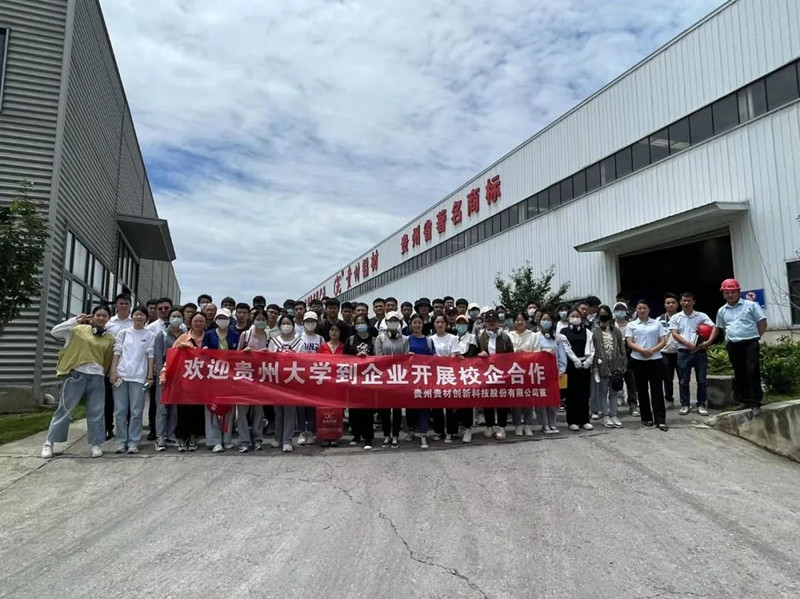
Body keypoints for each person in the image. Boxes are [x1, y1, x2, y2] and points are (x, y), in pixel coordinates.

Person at [41, 306, 116, 459]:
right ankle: (49, 443)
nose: (101, 318)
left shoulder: (109, 338)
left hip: (97, 377)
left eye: (104, 316)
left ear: (108, 318)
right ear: (92, 316)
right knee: (65, 409)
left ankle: (95, 443)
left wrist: (103, 374)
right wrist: (75, 320)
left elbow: (107, 359)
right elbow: (55, 331)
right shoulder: (78, 329)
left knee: (96, 411)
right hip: (76, 374)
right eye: (98, 315)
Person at [108, 305, 156, 454]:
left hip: (139, 377)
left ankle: (134, 442)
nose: (139, 317)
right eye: (136, 314)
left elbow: (150, 356)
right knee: (120, 411)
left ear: (146, 318)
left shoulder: (150, 334)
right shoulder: (123, 333)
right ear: (132, 316)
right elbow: (117, 352)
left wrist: (149, 375)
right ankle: (121, 441)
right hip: (121, 376)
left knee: (136, 411)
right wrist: (113, 371)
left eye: (142, 315)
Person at [716, 278, 767, 416]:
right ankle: (744, 400)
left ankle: (755, 402)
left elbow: (762, 322)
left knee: (752, 371)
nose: (730, 295)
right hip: (733, 344)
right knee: (739, 372)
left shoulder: (751, 305)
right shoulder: (722, 310)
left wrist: (756, 337)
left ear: (739, 292)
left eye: (733, 292)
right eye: (727, 293)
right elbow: (722, 328)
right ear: (723, 294)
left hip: (750, 343)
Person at [670, 292, 718, 417]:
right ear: (680, 302)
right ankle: (685, 404)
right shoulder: (676, 317)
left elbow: (714, 328)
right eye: (684, 301)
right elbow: (674, 333)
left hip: (700, 351)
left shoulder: (701, 316)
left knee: (701, 380)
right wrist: (687, 343)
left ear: (693, 302)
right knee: (683, 381)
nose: (686, 303)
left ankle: (701, 404)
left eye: (689, 300)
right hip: (683, 352)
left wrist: (708, 342)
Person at [625, 300, 668, 431]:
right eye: (639, 308)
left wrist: (652, 350)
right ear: (636, 311)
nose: (642, 310)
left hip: (655, 359)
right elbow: (629, 342)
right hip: (638, 359)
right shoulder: (631, 325)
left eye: (644, 308)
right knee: (642, 389)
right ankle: (646, 418)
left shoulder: (656, 323)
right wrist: (642, 351)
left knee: (657, 389)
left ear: (649, 310)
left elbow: (663, 341)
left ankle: (660, 420)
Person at [203, 308, 241, 452]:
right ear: (215, 320)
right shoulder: (209, 334)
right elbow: (204, 354)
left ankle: (227, 439)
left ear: (230, 320)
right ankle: (215, 440)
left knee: (229, 408)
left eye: (225, 318)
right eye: (219, 318)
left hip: (230, 377)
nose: (222, 320)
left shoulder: (235, 335)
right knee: (212, 408)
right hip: (212, 376)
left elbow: (239, 355)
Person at [171, 313, 208, 452]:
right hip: (184, 379)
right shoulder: (183, 338)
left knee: (197, 410)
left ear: (205, 323)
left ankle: (193, 436)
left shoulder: (209, 338)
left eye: (201, 321)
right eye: (196, 321)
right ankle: (182, 437)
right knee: (183, 409)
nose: (198, 323)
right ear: (190, 322)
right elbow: (172, 356)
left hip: (203, 380)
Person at [236, 308, 270, 453]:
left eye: (263, 319)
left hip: (261, 378)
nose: (260, 322)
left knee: (258, 411)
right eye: (258, 319)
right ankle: (244, 440)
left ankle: (257, 439)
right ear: (253, 320)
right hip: (245, 376)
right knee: (242, 410)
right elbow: (236, 355)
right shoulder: (245, 335)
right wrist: (246, 352)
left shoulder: (269, 336)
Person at [475, 309, 513, 440]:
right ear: (485, 322)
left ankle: (502, 427)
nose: (491, 323)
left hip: (502, 373)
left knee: (502, 400)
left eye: (494, 321)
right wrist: (480, 354)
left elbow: (511, 354)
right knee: (488, 400)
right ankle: (489, 426)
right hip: (487, 373)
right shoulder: (480, 336)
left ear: (498, 322)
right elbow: (475, 354)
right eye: (489, 321)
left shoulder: (505, 336)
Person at [268, 315, 303, 452]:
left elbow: (303, 361)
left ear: (293, 326)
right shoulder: (274, 341)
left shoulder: (299, 342)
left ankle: (287, 440)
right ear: (279, 326)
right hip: (277, 381)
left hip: (292, 380)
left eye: (289, 323)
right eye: (283, 323)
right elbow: (268, 360)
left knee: (289, 411)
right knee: (278, 411)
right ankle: (278, 437)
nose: (286, 326)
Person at [375, 311, 409, 448]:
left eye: (395, 320)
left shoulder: (405, 339)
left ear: (399, 323)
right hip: (384, 378)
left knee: (397, 409)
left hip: (398, 378)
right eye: (390, 320)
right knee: (385, 409)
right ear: (386, 323)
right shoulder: (381, 338)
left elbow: (406, 359)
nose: (393, 322)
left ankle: (395, 435)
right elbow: (377, 357)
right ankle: (386, 435)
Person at [153, 307, 184, 451]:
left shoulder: (185, 336)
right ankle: (160, 437)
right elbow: (158, 357)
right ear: (169, 318)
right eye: (174, 316)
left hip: (180, 377)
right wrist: (161, 374)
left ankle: (171, 434)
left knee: (174, 408)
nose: (176, 318)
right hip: (165, 376)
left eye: (179, 316)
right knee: (162, 408)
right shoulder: (162, 335)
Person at [591, 305, 627, 429]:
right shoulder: (595, 331)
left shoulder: (615, 330)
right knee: (602, 391)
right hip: (601, 365)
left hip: (615, 364)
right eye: (601, 313)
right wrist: (595, 365)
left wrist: (623, 363)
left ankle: (613, 414)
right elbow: (593, 349)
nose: (603, 315)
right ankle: (605, 415)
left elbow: (621, 348)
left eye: (605, 313)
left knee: (614, 390)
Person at [345, 313, 376, 450]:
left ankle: (368, 437)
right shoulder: (350, 340)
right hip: (354, 378)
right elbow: (344, 359)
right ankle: (356, 435)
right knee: (354, 409)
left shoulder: (374, 340)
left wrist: (367, 357)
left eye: (363, 322)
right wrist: (356, 357)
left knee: (367, 410)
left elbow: (379, 358)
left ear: (367, 325)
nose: (360, 325)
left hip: (369, 378)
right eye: (358, 323)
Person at [534, 311, 567, 434]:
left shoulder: (557, 337)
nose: (546, 322)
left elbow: (562, 355)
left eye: (548, 319)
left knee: (553, 399)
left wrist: (562, 369)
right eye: (543, 319)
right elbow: (532, 354)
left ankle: (553, 423)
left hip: (554, 372)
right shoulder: (535, 336)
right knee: (542, 399)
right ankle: (544, 424)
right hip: (540, 372)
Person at [105, 293, 133, 438]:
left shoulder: (134, 323)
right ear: (116, 305)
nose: (123, 306)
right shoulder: (109, 323)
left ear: (130, 305)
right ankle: (108, 427)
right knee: (108, 399)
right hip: (109, 363)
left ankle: (127, 428)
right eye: (121, 303)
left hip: (128, 365)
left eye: (126, 303)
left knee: (126, 400)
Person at [562, 307, 595, 431]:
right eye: (572, 316)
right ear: (568, 318)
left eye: (577, 316)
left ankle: (584, 420)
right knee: (571, 393)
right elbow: (565, 348)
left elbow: (592, 347)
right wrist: (575, 360)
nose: (575, 318)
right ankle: (572, 421)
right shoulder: (564, 332)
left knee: (584, 393)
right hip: (571, 366)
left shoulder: (587, 331)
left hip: (585, 365)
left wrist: (588, 361)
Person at [430, 314, 460, 442]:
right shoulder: (430, 339)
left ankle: (451, 432)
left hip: (449, 374)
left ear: (446, 324)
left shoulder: (453, 338)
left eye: (442, 322)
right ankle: (439, 431)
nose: (440, 324)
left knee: (450, 405)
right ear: (434, 324)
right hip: (434, 375)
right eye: (437, 322)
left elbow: (454, 356)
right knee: (437, 404)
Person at [407, 313, 435, 448]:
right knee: (410, 406)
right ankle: (411, 430)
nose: (417, 325)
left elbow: (434, 357)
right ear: (410, 324)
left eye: (419, 323)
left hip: (425, 378)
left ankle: (423, 435)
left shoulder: (428, 340)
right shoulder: (407, 340)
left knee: (425, 406)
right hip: (410, 378)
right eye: (415, 323)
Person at [508, 312, 538, 436]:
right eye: (517, 320)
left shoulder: (533, 336)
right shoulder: (509, 335)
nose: (519, 322)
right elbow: (506, 353)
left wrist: (526, 354)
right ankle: (517, 425)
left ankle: (527, 424)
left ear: (526, 322)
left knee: (528, 398)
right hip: (514, 371)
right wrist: (516, 351)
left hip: (528, 371)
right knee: (516, 398)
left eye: (522, 320)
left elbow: (537, 353)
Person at [317, 322, 346, 448]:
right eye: (332, 330)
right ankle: (324, 436)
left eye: (336, 330)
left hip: (339, 383)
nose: (334, 332)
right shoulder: (322, 347)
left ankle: (335, 436)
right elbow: (317, 363)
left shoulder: (344, 347)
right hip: (325, 383)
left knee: (337, 410)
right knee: (323, 409)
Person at [296, 312, 323, 446]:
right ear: (303, 323)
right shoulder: (298, 337)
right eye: (307, 321)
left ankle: (311, 432)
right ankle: (302, 432)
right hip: (300, 375)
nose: (310, 324)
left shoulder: (320, 339)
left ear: (316, 323)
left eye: (312, 321)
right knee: (301, 406)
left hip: (315, 375)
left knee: (312, 405)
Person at [451, 314, 477, 442]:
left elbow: (472, 353)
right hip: (454, 373)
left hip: (467, 373)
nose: (461, 326)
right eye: (459, 323)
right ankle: (457, 428)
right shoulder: (453, 338)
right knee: (456, 401)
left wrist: (462, 358)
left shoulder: (472, 337)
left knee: (467, 401)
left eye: (463, 323)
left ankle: (468, 428)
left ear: (467, 325)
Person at [614, 301, 639, 417]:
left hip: (630, 356)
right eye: (617, 309)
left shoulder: (631, 325)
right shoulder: (611, 325)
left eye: (622, 309)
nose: (620, 312)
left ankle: (633, 403)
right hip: (615, 357)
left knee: (631, 381)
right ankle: (617, 400)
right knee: (616, 380)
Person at [659, 293, 681, 409]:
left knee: (683, 378)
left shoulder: (682, 318)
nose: (670, 305)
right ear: (664, 305)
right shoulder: (659, 320)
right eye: (668, 303)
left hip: (681, 351)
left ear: (677, 304)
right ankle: (668, 399)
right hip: (665, 352)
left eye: (673, 302)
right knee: (667, 379)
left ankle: (684, 401)